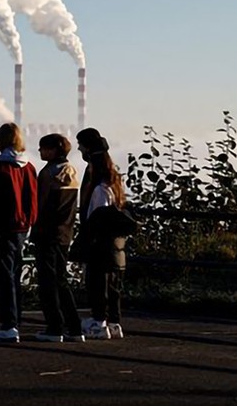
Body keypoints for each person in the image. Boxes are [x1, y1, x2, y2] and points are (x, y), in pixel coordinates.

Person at [74, 129, 135, 341]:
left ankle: (99, 322)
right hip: (115, 244)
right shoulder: (114, 182)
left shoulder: (99, 187)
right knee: (113, 284)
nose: (79, 149)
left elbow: (98, 215)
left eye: (81, 145)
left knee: (98, 283)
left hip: (101, 243)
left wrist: (86, 237)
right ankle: (114, 322)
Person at [0, 123, 37, 343]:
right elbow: (33, 198)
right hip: (22, 227)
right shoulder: (28, 167)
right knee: (15, 272)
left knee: (4, 275)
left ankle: (9, 324)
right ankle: (16, 319)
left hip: (4, 227)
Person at [30, 133, 84, 343]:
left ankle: (54, 327)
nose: (40, 151)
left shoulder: (48, 174)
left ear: (53, 150)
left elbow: (39, 204)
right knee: (61, 280)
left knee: (47, 282)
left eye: (43, 148)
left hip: (46, 233)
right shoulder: (71, 171)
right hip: (64, 233)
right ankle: (74, 326)